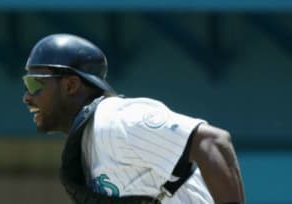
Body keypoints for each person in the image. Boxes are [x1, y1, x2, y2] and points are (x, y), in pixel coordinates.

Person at [22, 33, 245, 204]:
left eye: (34, 84)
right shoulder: (88, 141)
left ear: (70, 85)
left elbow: (212, 140)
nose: (26, 97)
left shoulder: (115, 120)